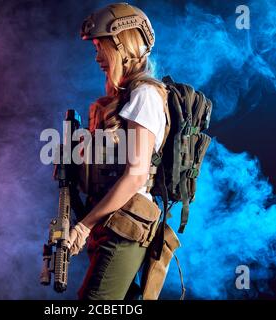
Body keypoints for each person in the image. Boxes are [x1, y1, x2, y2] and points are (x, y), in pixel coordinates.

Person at [67, 2, 171, 300]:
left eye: (102, 47)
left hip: (125, 226)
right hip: (110, 223)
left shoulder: (144, 95)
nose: (97, 57)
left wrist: (84, 226)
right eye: (95, 48)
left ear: (125, 45)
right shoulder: (125, 98)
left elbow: (136, 176)